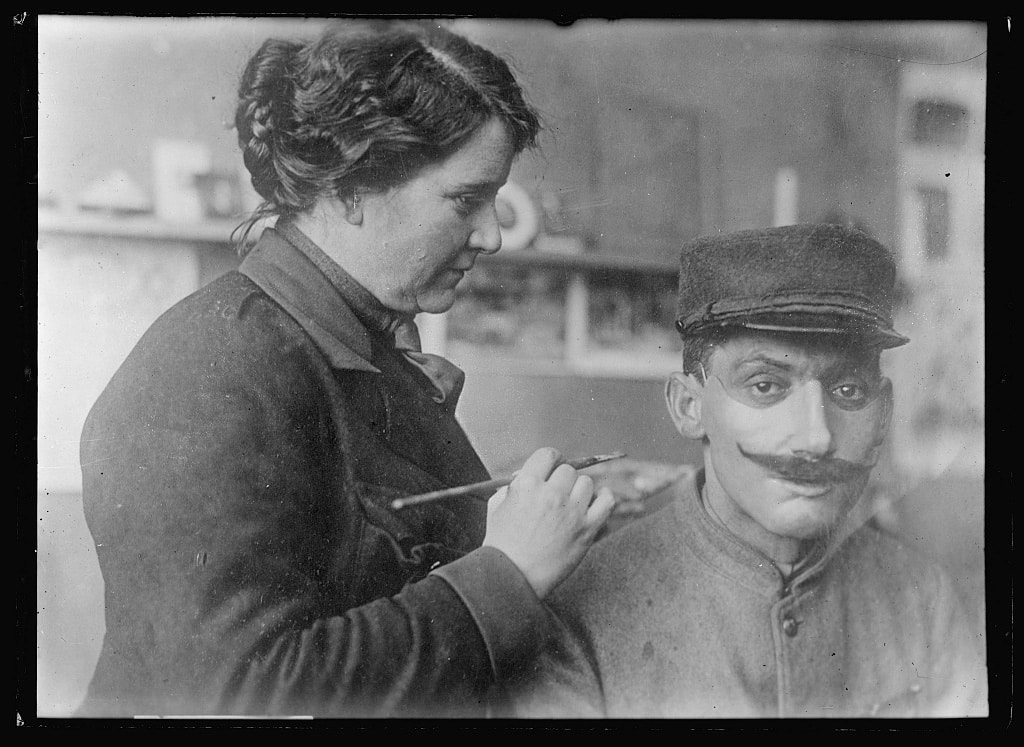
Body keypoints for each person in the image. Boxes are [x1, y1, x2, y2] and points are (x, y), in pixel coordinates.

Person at [77, 21, 614, 718]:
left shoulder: (354, 350)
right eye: (465, 201)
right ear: (354, 187)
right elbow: (233, 692)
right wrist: (506, 574)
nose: (491, 234)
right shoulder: (211, 370)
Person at [507, 223, 988, 718]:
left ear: (883, 414)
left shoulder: (920, 597)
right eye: (765, 386)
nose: (815, 438)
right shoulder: (579, 610)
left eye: (847, 391)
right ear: (689, 407)